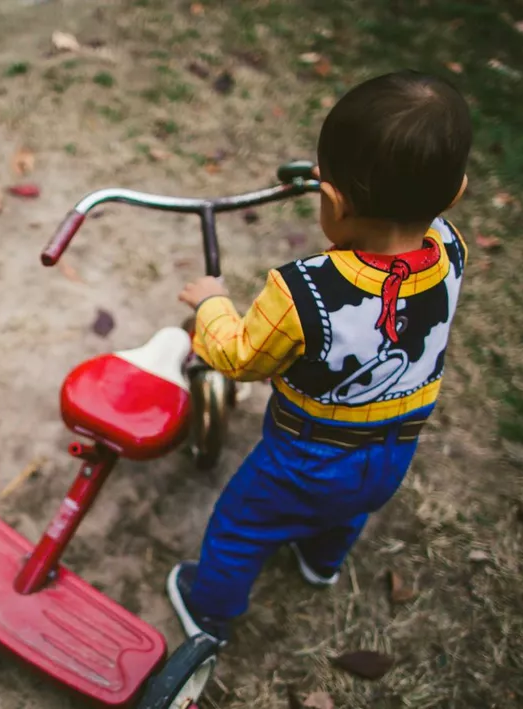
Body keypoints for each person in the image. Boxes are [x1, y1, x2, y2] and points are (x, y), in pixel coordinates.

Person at [167, 70, 473, 644]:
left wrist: (211, 305)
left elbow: (239, 358)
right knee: (351, 505)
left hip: (306, 458)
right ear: (453, 193)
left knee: (241, 526)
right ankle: (321, 561)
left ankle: (207, 612)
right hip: (394, 446)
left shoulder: (303, 292)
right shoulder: (450, 249)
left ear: (331, 198)